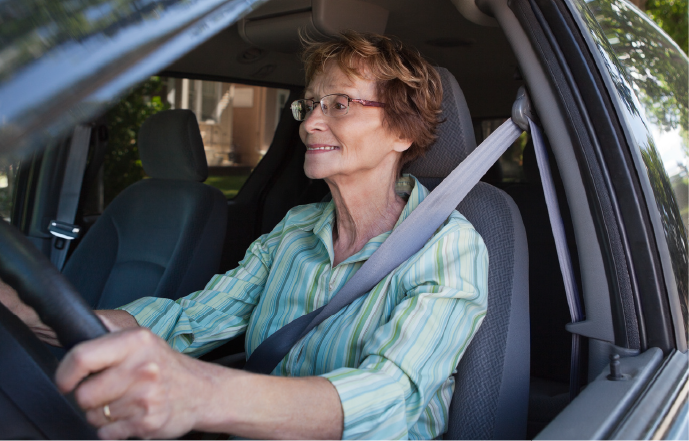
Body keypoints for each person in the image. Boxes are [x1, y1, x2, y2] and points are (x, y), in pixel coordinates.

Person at [0, 31, 488, 441]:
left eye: (340, 103)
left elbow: (391, 395)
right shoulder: (295, 230)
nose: (311, 122)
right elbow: (187, 319)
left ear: (403, 131)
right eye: (311, 103)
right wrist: (30, 312)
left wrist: (203, 393)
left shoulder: (448, 247)